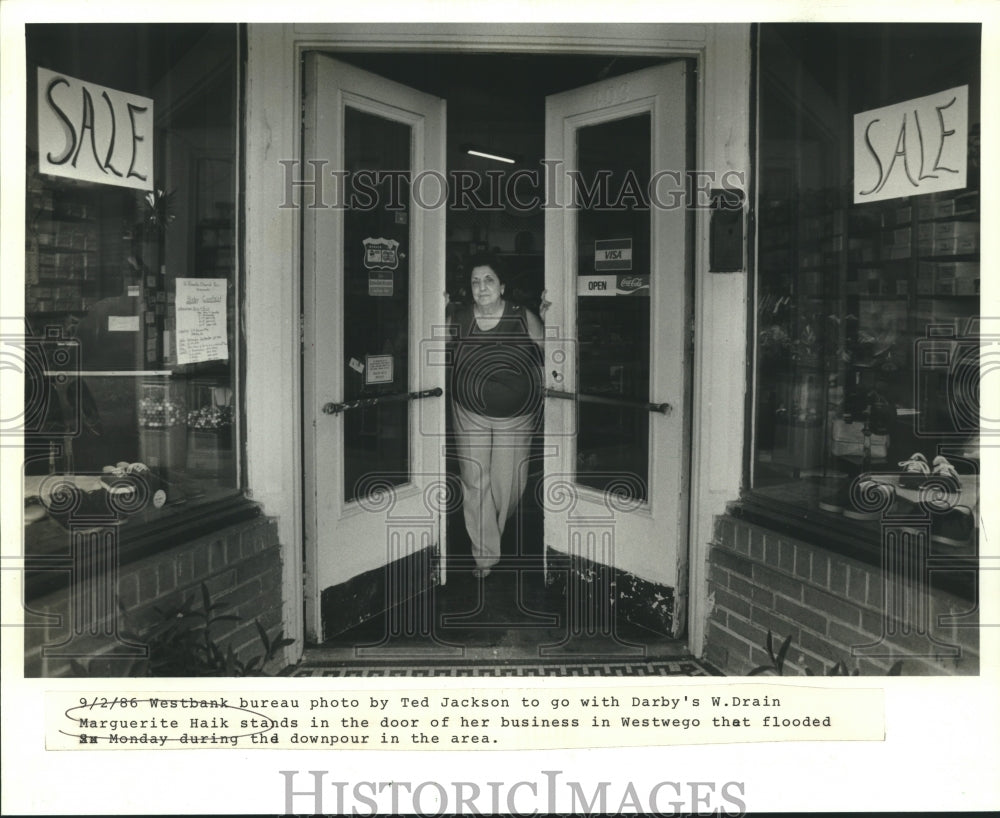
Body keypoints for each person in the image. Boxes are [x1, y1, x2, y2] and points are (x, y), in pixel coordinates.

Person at [450, 253, 547, 578]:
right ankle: (485, 555)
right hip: (469, 411)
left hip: (516, 415)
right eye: (475, 282)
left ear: (502, 286)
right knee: (475, 481)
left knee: (509, 483)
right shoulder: (459, 319)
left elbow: (552, 352)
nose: (482, 287)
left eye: (488, 280)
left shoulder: (522, 316)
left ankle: (494, 532)